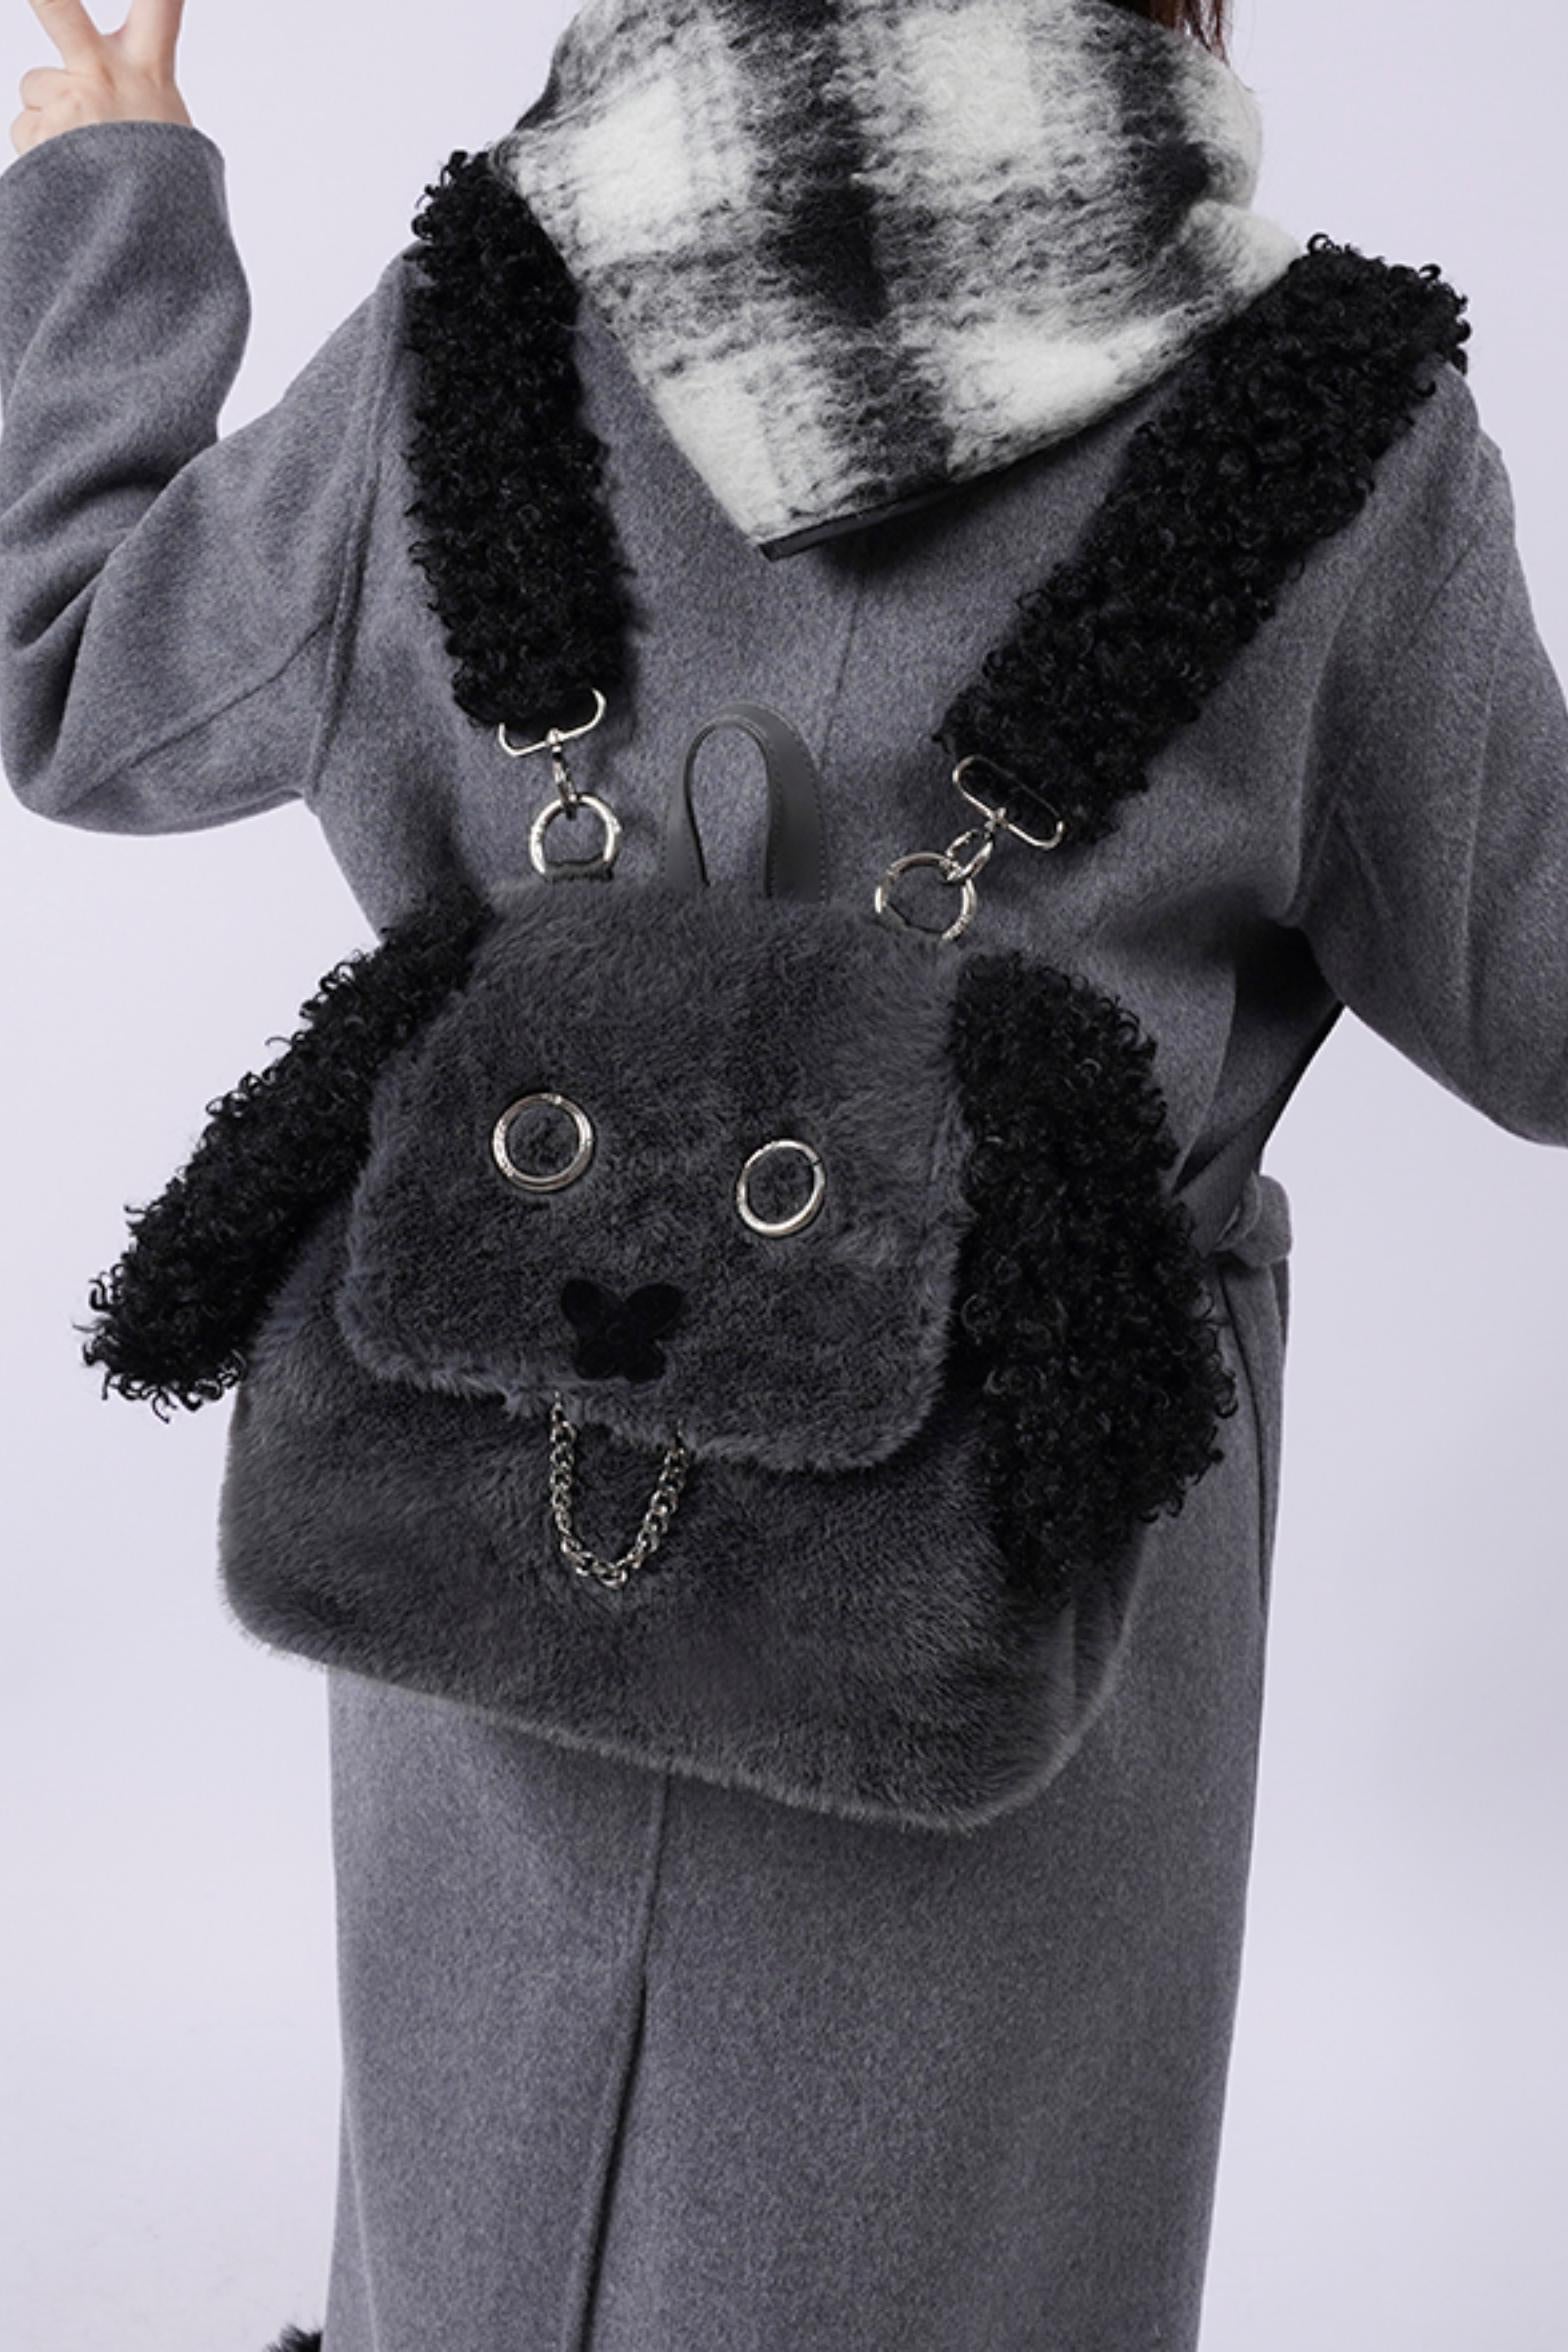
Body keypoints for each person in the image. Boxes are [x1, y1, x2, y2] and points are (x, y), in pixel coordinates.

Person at [2, 3, 1564, 2348]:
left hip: (498, 1494)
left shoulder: (481, 320)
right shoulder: (1338, 427)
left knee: (492, 2216)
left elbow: (77, 678)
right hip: (1016, 1585)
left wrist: (113, 187)